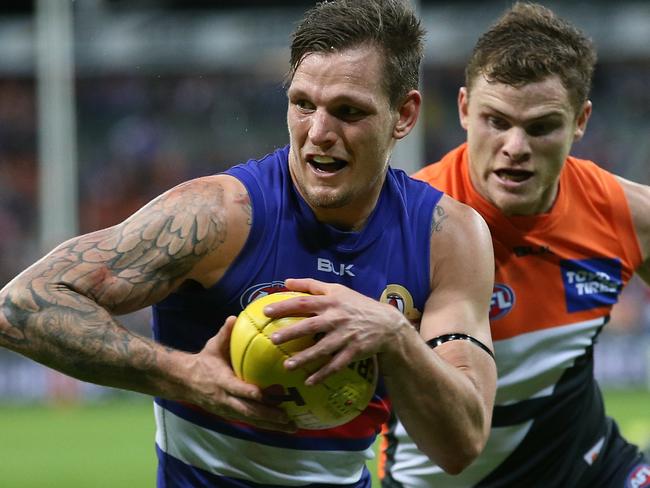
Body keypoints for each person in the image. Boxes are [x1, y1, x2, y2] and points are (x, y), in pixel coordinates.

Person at [0, 1, 497, 486]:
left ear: (404, 115)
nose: (318, 133)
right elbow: (19, 306)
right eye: (303, 104)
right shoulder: (217, 216)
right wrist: (185, 375)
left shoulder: (447, 237)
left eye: (348, 111)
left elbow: (462, 445)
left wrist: (394, 337)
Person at [381, 2, 650, 487]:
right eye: (496, 121)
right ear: (464, 109)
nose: (515, 146)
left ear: (580, 120)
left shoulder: (625, 214)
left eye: (541, 126)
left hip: (591, 469)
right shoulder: (402, 222)